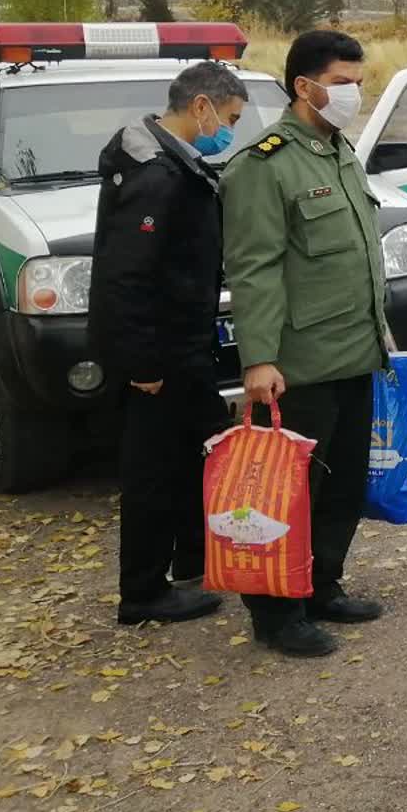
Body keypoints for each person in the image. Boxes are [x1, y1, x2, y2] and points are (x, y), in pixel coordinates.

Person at [219, 30, 389, 658]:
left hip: (353, 351)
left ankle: (323, 586)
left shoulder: (336, 150)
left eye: (358, 81)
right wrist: (259, 358)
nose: (354, 93)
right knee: (286, 494)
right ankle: (275, 614)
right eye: (343, 82)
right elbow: (254, 268)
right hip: (298, 365)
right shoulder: (265, 165)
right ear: (305, 86)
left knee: (343, 484)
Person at [90, 62, 249, 626]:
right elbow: (126, 275)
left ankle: (191, 558)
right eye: (229, 118)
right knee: (152, 472)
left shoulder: (177, 166)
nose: (230, 129)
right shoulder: (155, 176)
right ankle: (142, 592)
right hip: (158, 356)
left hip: (184, 347)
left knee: (196, 452)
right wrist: (142, 362)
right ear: (201, 106)